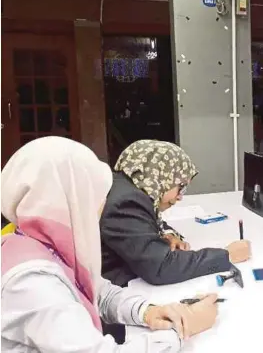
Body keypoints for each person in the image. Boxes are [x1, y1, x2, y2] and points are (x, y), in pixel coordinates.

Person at [1, 136, 219, 352]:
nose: (102, 204)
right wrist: (183, 329)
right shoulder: (32, 283)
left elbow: (98, 291)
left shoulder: (41, 246)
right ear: (69, 201)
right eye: (94, 195)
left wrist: (148, 311)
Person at [100, 140, 252, 288]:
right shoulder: (127, 202)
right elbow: (161, 267)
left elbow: (146, 220)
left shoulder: (127, 186)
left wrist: (166, 233)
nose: (180, 197)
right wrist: (226, 256)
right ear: (160, 176)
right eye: (181, 187)